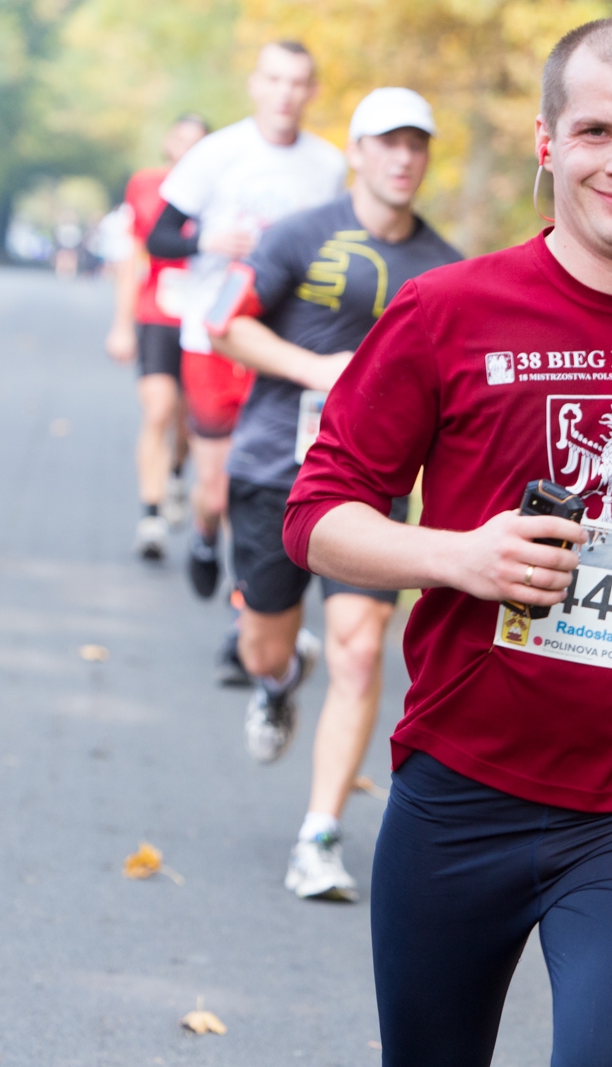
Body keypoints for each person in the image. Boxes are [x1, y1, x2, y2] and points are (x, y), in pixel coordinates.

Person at [283, 17, 612, 1065]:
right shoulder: (446, 311)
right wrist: (456, 555)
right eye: (597, 131)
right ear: (547, 142)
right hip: (458, 791)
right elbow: (318, 517)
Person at [205, 88, 461, 902]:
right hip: (274, 468)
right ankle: (279, 677)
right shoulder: (298, 234)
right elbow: (223, 320)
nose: (403, 158)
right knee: (265, 649)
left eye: (416, 145)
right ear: (355, 151)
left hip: (372, 489)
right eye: (387, 143)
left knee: (358, 649)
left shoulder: (447, 269)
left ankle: (319, 835)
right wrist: (321, 371)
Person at [146, 40, 346, 601]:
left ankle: (245, 612)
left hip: (286, 348)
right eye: (274, 80)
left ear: (312, 91)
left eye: (297, 82)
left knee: (266, 483)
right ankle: (206, 533)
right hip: (214, 337)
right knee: (216, 488)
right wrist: (204, 238)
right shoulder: (215, 153)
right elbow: (158, 236)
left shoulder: (328, 165)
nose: (285, 93)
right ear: (256, 84)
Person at [106, 114, 208, 559]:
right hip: (156, 314)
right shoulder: (146, 185)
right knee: (159, 409)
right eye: (181, 140)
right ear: (168, 144)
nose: (187, 149)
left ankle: (176, 473)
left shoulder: (221, 190)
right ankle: (150, 516)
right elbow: (132, 259)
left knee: (189, 418)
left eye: (198, 143)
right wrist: (122, 325)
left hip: (202, 319)